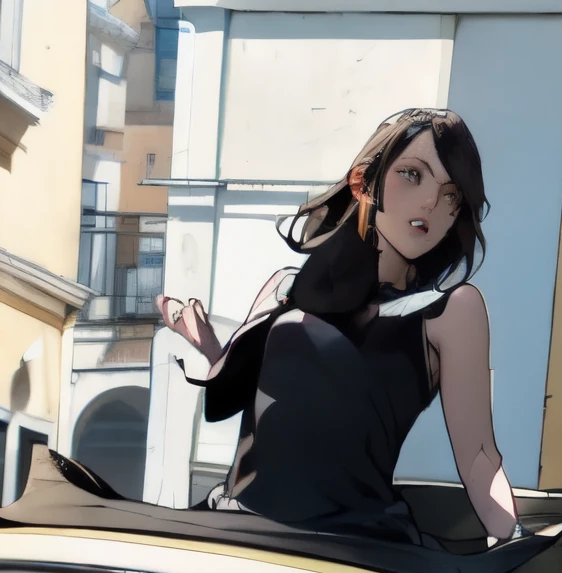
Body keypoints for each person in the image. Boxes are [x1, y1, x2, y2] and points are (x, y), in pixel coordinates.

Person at [157, 109, 520, 545]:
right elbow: (252, 396)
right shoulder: (286, 288)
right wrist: (209, 345)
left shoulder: (452, 312)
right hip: (239, 533)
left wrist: (514, 544)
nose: (430, 202)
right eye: (412, 175)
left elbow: (480, 458)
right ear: (364, 183)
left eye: (450, 195)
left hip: (351, 551)